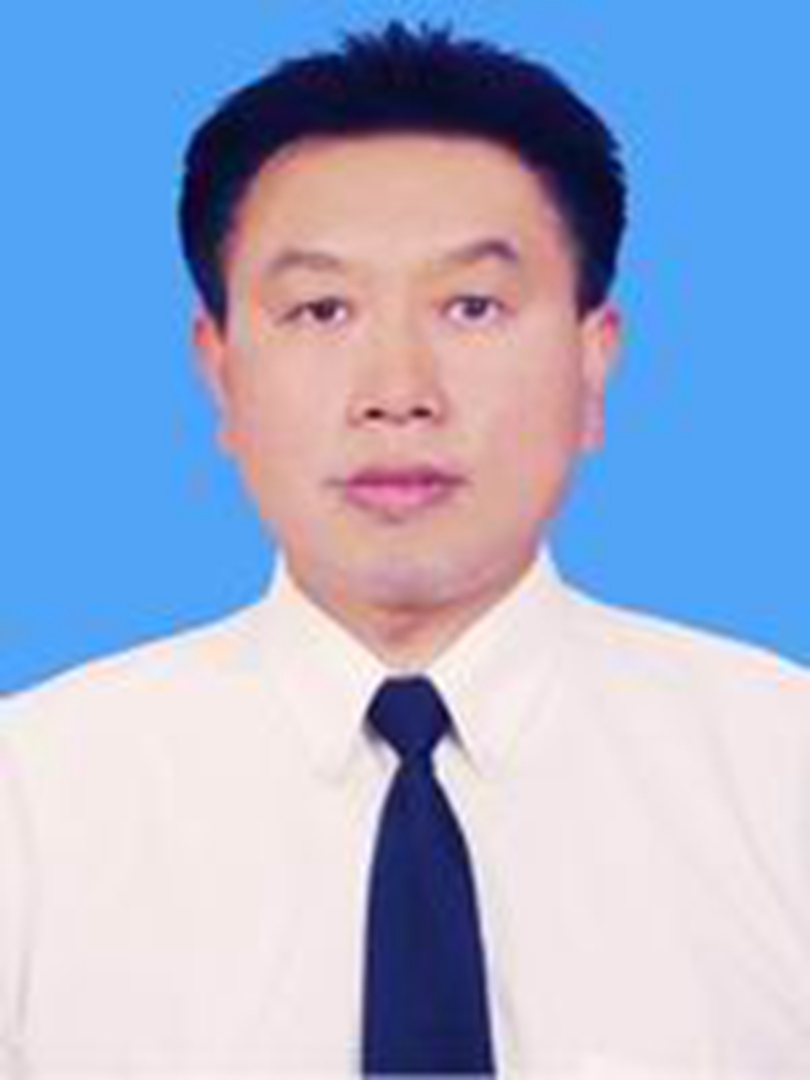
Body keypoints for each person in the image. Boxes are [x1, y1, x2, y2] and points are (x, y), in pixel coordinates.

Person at [1, 19, 809, 1077]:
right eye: (320, 309)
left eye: (472, 307)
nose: (397, 392)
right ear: (221, 371)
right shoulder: (33, 801)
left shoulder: (784, 772)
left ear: (593, 361)